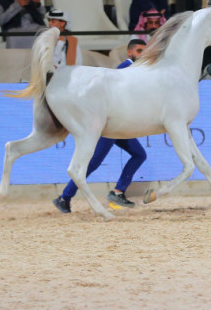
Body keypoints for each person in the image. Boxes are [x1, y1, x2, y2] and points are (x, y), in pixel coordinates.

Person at [52, 39, 149, 214]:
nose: (143, 54)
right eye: (139, 51)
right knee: (93, 162)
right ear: (130, 52)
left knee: (139, 154)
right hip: (109, 124)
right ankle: (64, 197)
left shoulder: (136, 70)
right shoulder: (125, 68)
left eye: (145, 51)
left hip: (120, 125)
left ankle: (118, 192)